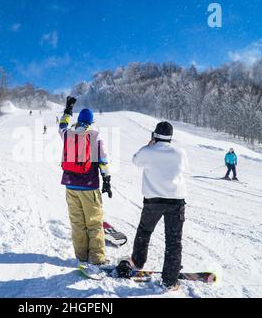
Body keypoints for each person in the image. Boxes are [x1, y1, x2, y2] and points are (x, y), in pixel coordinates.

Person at [121, 121, 188, 290]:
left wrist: (149, 145)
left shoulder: (148, 151)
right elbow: (184, 168)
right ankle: (170, 280)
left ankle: (137, 261)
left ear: (154, 135)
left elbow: (135, 160)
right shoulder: (180, 153)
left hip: (154, 202)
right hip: (176, 201)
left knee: (145, 231)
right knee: (174, 240)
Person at [59, 96, 112, 265]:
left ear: (79, 120)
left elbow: (62, 125)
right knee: (94, 223)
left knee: (77, 223)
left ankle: (81, 256)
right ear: (91, 121)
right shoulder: (95, 136)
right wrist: (107, 180)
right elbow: (103, 160)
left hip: (70, 185)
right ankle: (97, 259)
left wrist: (68, 110)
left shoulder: (67, 134)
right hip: (89, 187)